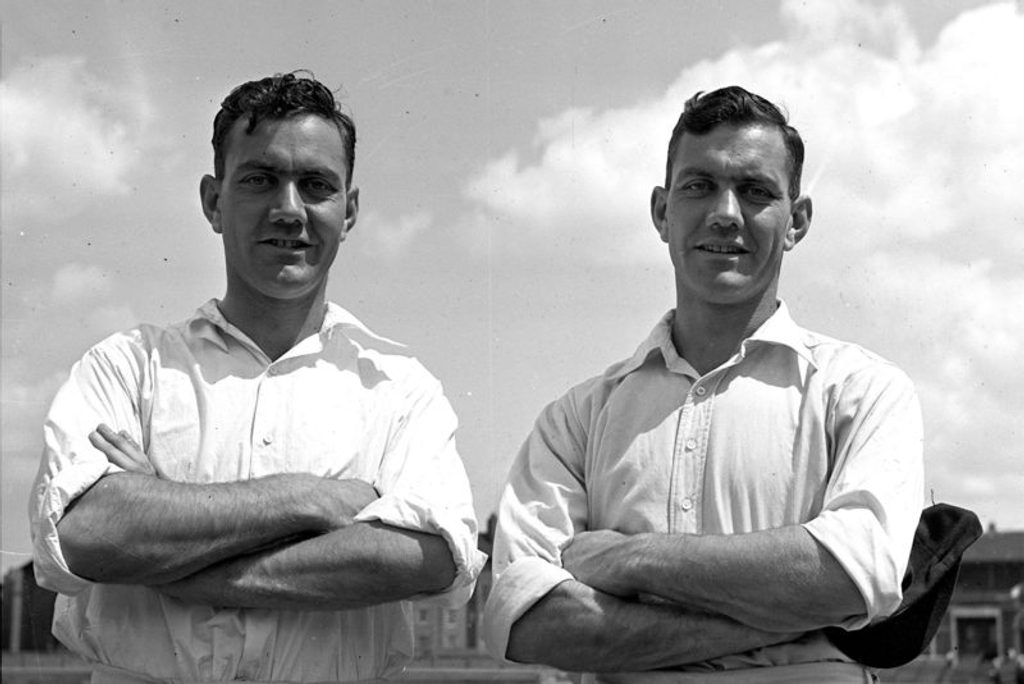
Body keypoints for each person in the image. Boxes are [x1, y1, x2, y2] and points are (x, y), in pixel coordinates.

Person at [30, 72, 485, 683]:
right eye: (260, 179)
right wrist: (312, 499)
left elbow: (425, 557)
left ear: (348, 211)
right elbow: (83, 533)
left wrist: (167, 546)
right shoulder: (127, 366)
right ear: (214, 201)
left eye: (316, 185)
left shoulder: (400, 390)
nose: (289, 209)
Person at [483, 86, 924, 683]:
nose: (726, 213)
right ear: (662, 212)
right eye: (699, 186)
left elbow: (850, 573)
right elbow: (530, 619)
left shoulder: (863, 391)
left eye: (755, 190)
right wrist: (788, 619)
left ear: (797, 221)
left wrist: (627, 558)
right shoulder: (577, 418)